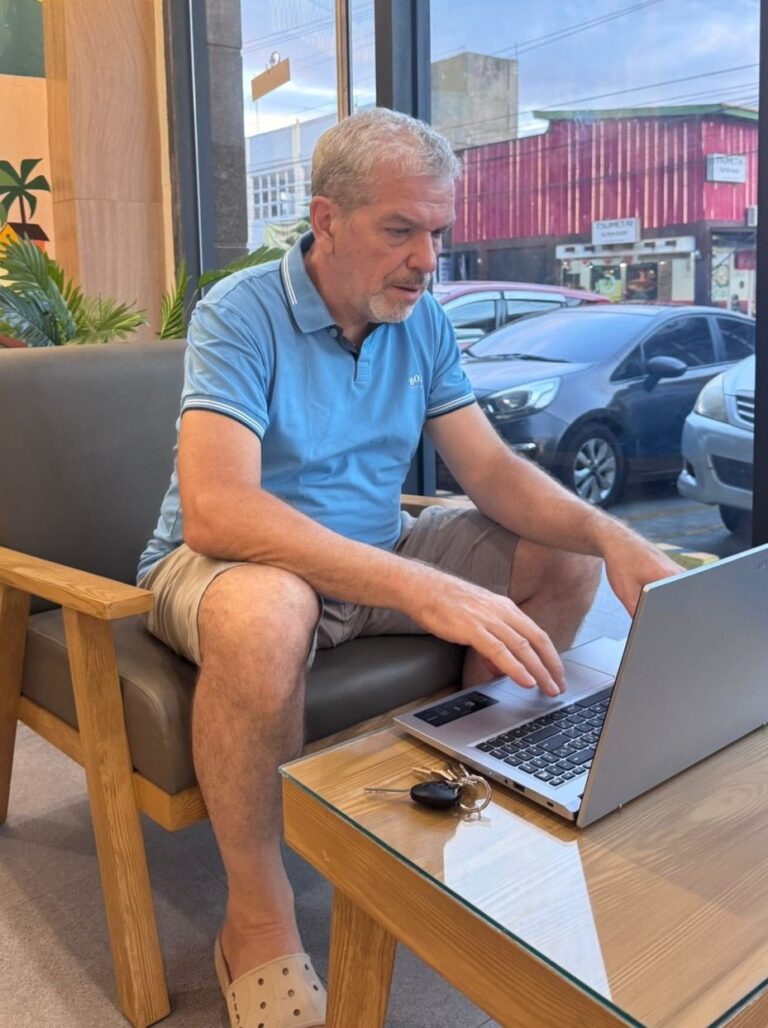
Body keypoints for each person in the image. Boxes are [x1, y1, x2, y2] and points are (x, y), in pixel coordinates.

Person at [138, 108, 680, 1028]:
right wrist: (427, 587)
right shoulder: (241, 312)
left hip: (378, 549)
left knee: (564, 554)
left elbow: (492, 473)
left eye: (437, 232)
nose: (427, 260)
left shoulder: (420, 320)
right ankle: (257, 918)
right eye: (401, 230)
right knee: (272, 610)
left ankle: (481, 793)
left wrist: (611, 535)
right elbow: (219, 510)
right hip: (227, 566)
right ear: (326, 219)